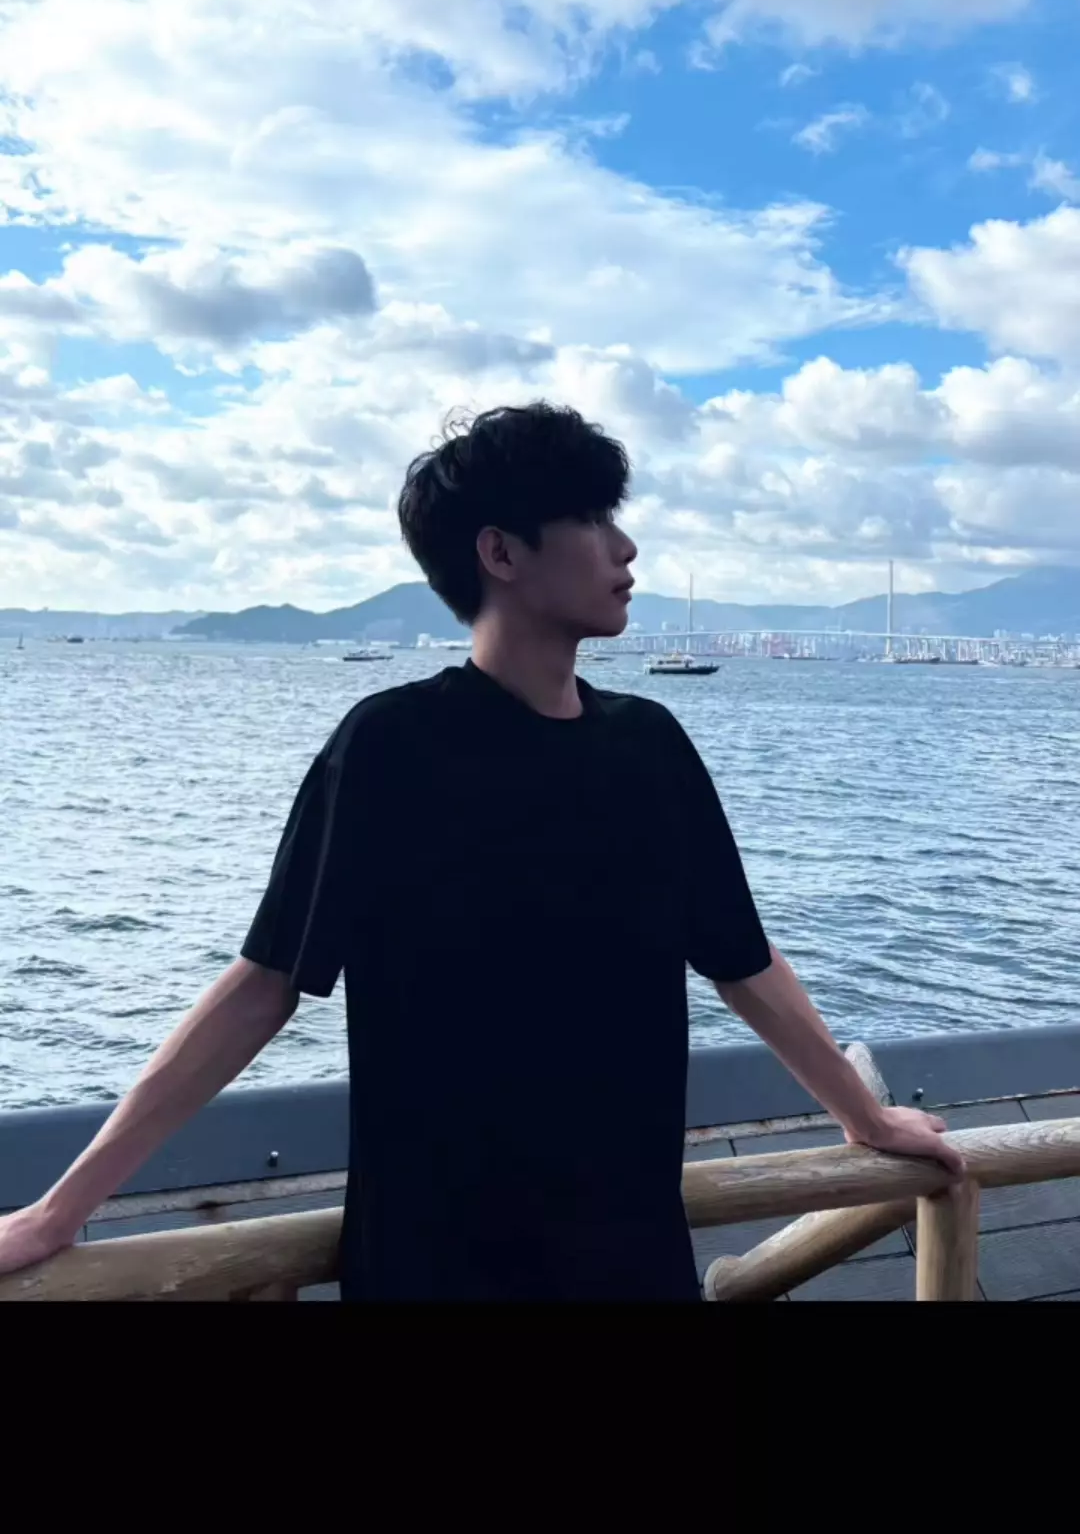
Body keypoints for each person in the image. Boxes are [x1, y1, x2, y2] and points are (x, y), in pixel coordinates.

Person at [0, 402, 961, 1299]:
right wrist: (62, 1209)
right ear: (499, 552)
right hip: (436, 1262)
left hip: (631, 1256)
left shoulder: (652, 746)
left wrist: (865, 1118)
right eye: (591, 519)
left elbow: (741, 960)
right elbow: (266, 982)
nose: (625, 547)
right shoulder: (388, 747)